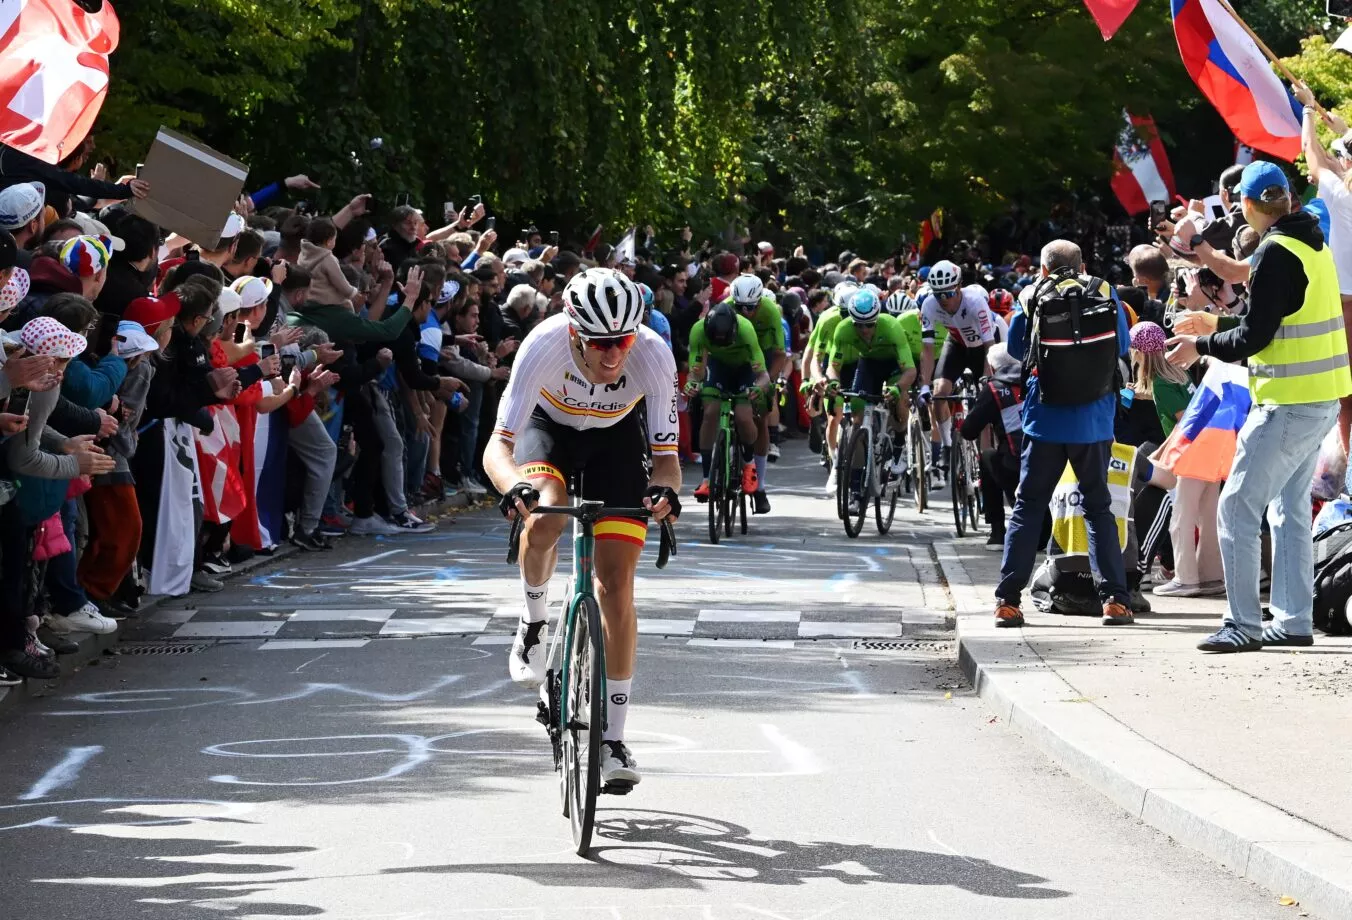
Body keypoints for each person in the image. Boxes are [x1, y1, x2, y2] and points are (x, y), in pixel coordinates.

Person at [484, 268, 680, 788]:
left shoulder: (654, 355)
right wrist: (512, 486)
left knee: (617, 586)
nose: (614, 355)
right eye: (600, 343)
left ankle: (612, 739)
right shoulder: (542, 346)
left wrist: (665, 492)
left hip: (616, 438)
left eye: (623, 341)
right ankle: (533, 623)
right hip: (548, 429)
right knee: (547, 511)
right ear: (574, 332)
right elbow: (498, 445)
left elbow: (667, 459)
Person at [1169, 161, 1352, 652]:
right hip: (1319, 400)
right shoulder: (1312, 242)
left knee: (1236, 508)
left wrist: (1200, 346)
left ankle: (1243, 624)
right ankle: (1293, 620)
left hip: (1288, 403)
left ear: (1248, 205)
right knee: (1288, 510)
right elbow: (1273, 318)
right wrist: (1213, 325)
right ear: (1288, 199)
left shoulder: (1275, 250)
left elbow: (1255, 336)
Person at [995, 239, 1133, 628]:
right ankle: (1114, 601)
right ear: (1083, 265)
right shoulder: (1105, 292)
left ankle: (1008, 601)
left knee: (1028, 505)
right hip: (1094, 420)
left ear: (1043, 269)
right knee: (1098, 507)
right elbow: (1122, 345)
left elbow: (1017, 350)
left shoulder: (1030, 296)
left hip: (1045, 420)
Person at [917, 259, 996, 484]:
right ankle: (947, 446)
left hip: (981, 349)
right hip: (956, 345)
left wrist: (988, 380)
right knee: (939, 392)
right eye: (938, 294)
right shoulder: (929, 305)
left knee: (986, 407)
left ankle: (987, 462)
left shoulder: (975, 302)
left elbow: (990, 347)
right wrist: (925, 385)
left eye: (949, 293)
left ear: (959, 287)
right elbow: (927, 349)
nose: (944, 299)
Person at [824, 288, 916, 480]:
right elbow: (833, 366)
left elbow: (910, 370)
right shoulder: (843, 329)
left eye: (869, 324)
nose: (864, 329)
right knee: (856, 422)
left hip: (894, 366)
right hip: (867, 364)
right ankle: (856, 482)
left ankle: (899, 444)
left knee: (899, 401)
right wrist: (833, 382)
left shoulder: (891, 327)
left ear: (877, 319)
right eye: (858, 324)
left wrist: (898, 388)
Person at [688, 301, 768, 502]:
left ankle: (748, 463)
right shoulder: (698, 330)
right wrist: (692, 384)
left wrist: (758, 388)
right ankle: (706, 478)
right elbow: (695, 372)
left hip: (744, 370)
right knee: (710, 412)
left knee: (743, 417)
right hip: (717, 367)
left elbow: (763, 375)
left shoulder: (746, 329)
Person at [726, 274, 784, 514]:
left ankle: (759, 486)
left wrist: (768, 382)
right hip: (734, 356)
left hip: (763, 359)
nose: (745, 312)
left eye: (751, 307)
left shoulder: (770, 311)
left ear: (760, 302)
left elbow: (780, 354)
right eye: (740, 307)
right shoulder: (725, 308)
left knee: (759, 419)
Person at [959, 342, 1023, 551]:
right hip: (1049, 470)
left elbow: (969, 431)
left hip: (1016, 469)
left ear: (993, 368)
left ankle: (997, 534)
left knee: (987, 457)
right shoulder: (1036, 380)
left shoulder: (994, 389)